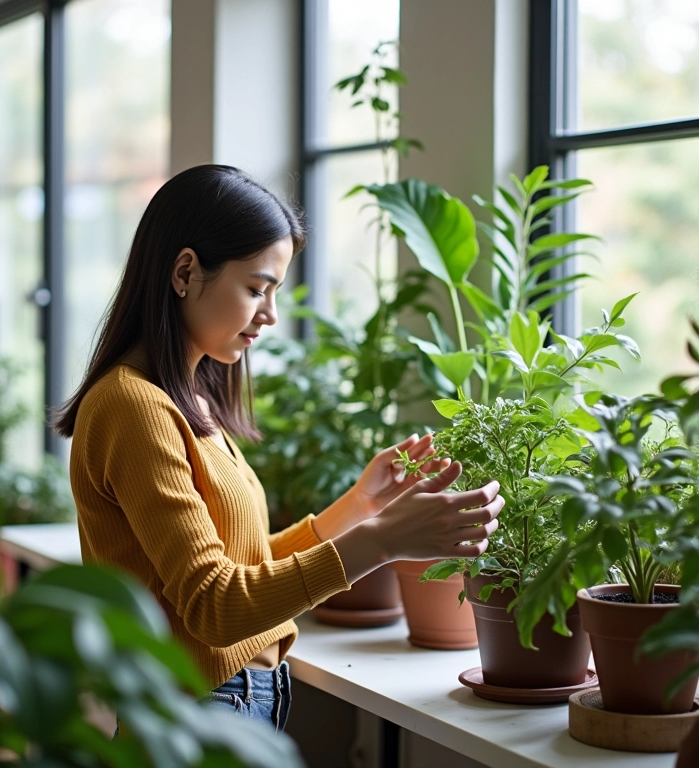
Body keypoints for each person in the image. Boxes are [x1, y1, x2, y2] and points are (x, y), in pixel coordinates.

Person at [54, 165, 503, 734]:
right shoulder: (131, 406)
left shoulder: (187, 399)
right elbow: (214, 607)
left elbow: (239, 564)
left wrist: (360, 506)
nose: (270, 314)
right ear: (186, 271)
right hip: (196, 717)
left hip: (228, 704)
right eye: (256, 288)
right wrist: (384, 541)